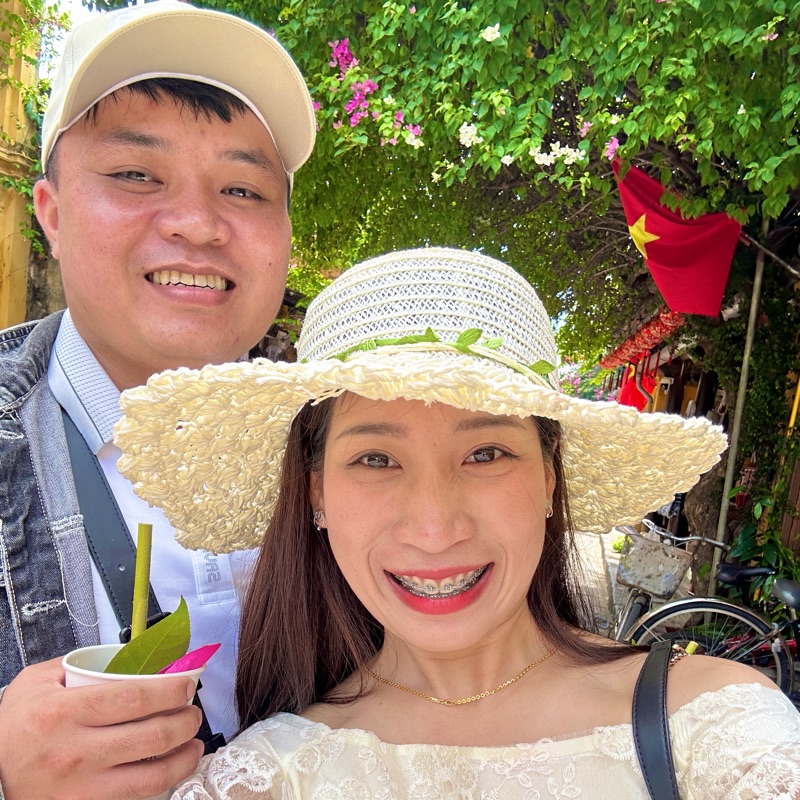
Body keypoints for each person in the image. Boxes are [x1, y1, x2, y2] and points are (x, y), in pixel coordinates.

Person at [115, 247, 800, 799]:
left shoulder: (712, 732)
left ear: (549, 478)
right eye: (377, 459)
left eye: (486, 453)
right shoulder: (265, 778)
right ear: (316, 492)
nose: (435, 527)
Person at [0, 2, 315, 798]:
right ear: (52, 215)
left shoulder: (352, 443)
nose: (198, 224)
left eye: (242, 188)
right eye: (137, 175)